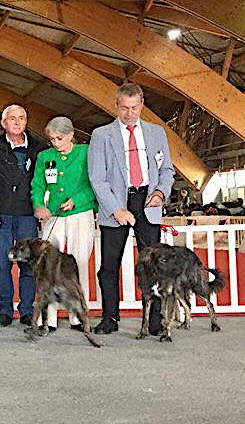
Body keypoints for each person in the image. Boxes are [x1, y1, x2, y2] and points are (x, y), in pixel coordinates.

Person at [87, 83, 174, 334]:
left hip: (148, 203)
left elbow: (167, 169)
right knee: (109, 266)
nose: (129, 113)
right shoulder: (101, 135)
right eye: (124, 108)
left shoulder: (157, 133)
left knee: (155, 266)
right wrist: (116, 209)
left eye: (134, 107)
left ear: (142, 105)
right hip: (115, 204)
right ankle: (109, 318)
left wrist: (160, 193)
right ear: (116, 105)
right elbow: (97, 178)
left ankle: (155, 320)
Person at [31, 116, 98, 331]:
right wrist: (39, 205)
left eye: (59, 138)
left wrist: (77, 199)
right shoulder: (44, 156)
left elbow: (94, 183)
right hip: (54, 215)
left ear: (71, 135)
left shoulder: (85, 152)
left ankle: (77, 316)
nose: (56, 143)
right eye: (52, 139)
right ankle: (48, 318)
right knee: (48, 265)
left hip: (81, 213)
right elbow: (38, 185)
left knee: (78, 264)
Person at [0, 104, 48, 328]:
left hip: (27, 213)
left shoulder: (39, 147)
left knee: (28, 264)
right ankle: (4, 310)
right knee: (3, 263)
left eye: (22, 118)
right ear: (3, 123)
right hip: (1, 213)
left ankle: (27, 311)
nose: (17, 122)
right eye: (12, 118)